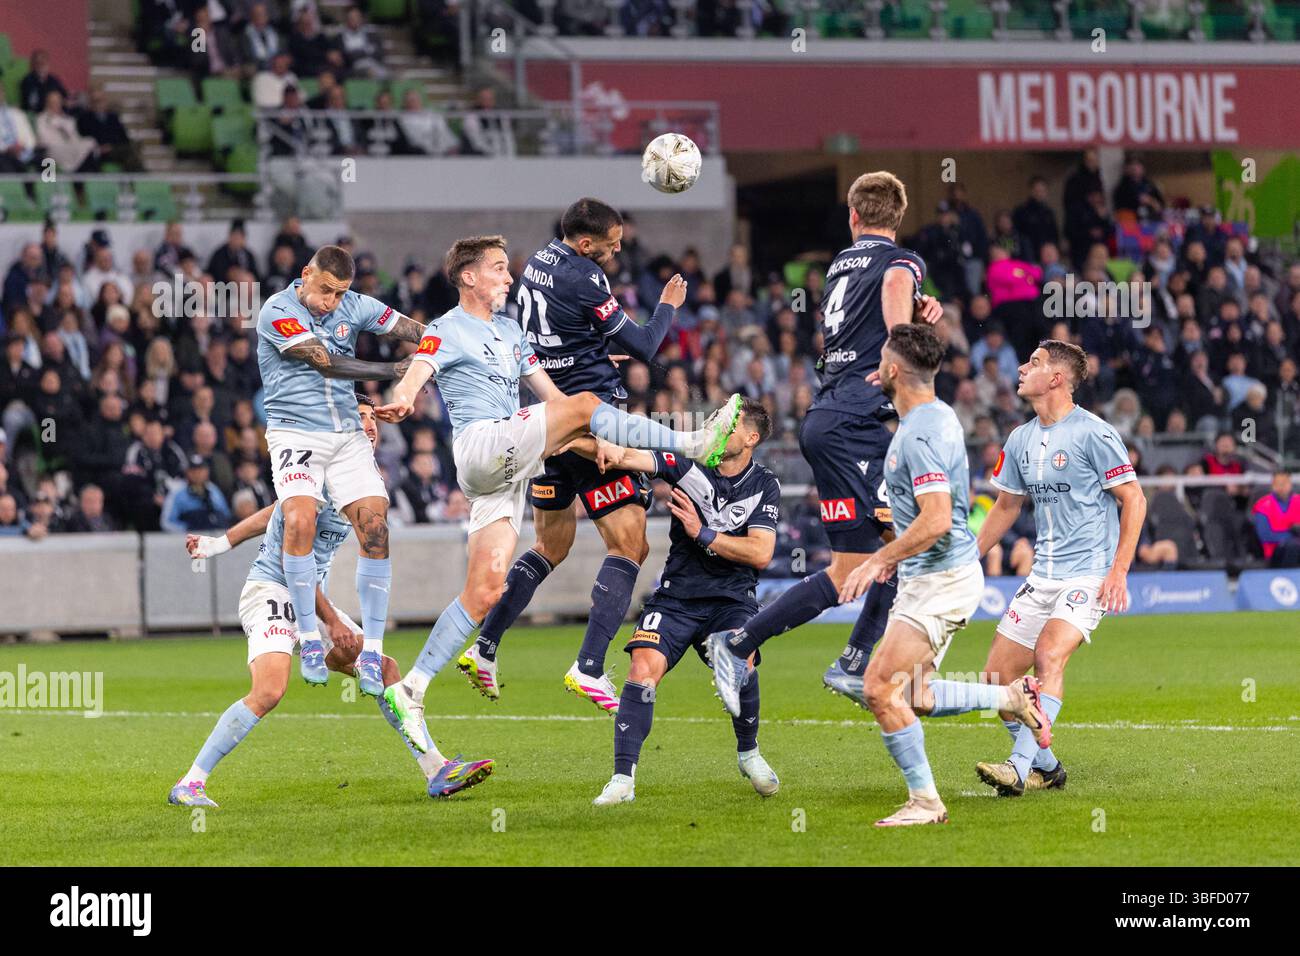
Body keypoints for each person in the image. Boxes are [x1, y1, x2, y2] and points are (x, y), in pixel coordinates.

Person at [373, 235, 742, 751]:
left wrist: (598, 437)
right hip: (482, 444)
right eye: (499, 269)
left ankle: (412, 688)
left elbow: (555, 400)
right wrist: (404, 401)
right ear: (469, 277)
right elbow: (415, 375)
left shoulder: (509, 332)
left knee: (484, 590)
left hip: (505, 472)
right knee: (589, 405)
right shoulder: (446, 329)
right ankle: (694, 442)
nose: (509, 277)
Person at [170, 398, 495, 807]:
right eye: (359, 420)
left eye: (372, 419)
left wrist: (220, 542)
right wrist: (331, 621)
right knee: (269, 691)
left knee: (385, 668)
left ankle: (436, 769)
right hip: (274, 589)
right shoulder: (318, 475)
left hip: (311, 592)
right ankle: (190, 783)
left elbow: (272, 510)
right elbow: (294, 562)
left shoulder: (354, 477)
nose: (369, 427)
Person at [706, 171, 942, 709]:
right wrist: (901, 351)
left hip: (828, 421)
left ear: (854, 217)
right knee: (910, 542)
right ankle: (856, 661)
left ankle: (740, 642)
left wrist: (915, 326)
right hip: (857, 422)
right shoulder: (902, 261)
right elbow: (894, 291)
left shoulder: (839, 264)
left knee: (850, 568)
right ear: (897, 219)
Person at [817, 324, 1050, 827]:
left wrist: (882, 559)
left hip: (939, 579)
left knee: (879, 689)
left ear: (894, 370)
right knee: (917, 698)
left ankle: (925, 801)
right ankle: (1010, 696)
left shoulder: (919, 433)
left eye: (881, 358)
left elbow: (938, 517)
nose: (874, 365)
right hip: (935, 575)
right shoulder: (933, 416)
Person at [460, 199, 687, 713]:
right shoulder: (587, 277)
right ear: (586, 244)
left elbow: (548, 338)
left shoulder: (538, 260)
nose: (617, 249)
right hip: (590, 419)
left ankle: (485, 647)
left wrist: (588, 348)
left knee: (551, 544)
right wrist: (669, 303)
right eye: (611, 242)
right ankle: (588, 668)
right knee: (630, 545)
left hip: (545, 419)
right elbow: (648, 345)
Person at [574, 398, 782, 804]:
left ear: (752, 438)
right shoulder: (689, 463)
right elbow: (631, 456)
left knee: (743, 663)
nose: (720, 425)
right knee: (642, 668)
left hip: (731, 600)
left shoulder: (765, 484)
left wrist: (702, 533)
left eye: (732, 423)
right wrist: (587, 444)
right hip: (676, 598)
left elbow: (760, 553)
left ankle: (749, 753)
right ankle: (623, 779)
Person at [972, 340, 1145, 796]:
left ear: (1056, 379)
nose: (1023, 368)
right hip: (1042, 575)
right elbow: (1007, 506)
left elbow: (1135, 499)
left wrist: (1119, 571)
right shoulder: (1019, 438)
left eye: (1034, 362)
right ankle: (1046, 767)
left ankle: (1017, 767)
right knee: (997, 684)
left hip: (1089, 573)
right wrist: (969, 557)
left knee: (1050, 655)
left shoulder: (1095, 433)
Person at [255, 244, 429, 696]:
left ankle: (371, 649)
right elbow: (326, 362)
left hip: (348, 434)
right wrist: (393, 368)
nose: (331, 301)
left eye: (340, 293)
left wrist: (434, 353)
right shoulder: (277, 310)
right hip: (296, 433)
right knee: (300, 518)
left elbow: (416, 332)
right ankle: (310, 639)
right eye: (325, 290)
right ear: (305, 273)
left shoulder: (356, 304)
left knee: (375, 529)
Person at [160, 454, 233, 532]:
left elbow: (226, 515)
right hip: (188, 540)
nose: (197, 474)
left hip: (214, 538)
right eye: (193, 471)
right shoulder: (177, 492)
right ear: (187, 472)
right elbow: (166, 522)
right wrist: (187, 530)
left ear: (207, 471)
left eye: (201, 470)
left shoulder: (213, 490)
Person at [1252, 470, 1300, 567]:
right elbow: (1265, 536)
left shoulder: (1298, 501)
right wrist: (1290, 536)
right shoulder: (1262, 505)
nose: (1282, 486)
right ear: (1273, 486)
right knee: (1292, 546)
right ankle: (1288, 578)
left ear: (1290, 484)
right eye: (1278, 483)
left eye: (1285, 483)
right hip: (1274, 551)